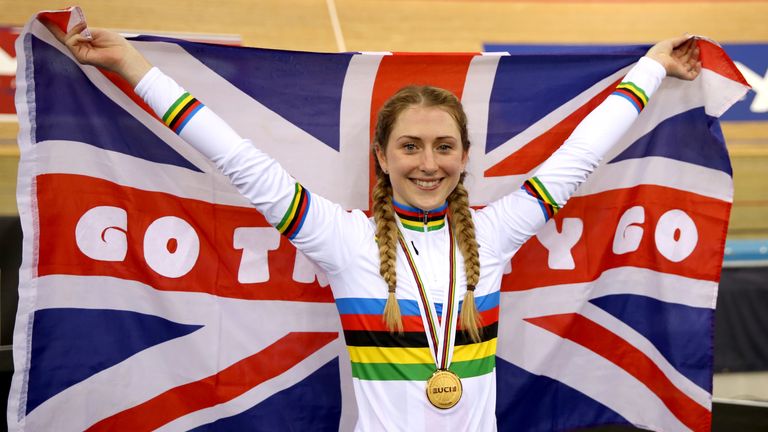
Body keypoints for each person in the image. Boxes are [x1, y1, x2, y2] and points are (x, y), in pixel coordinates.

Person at [45, 19, 700, 431]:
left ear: (465, 158)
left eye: (444, 147)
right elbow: (235, 157)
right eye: (410, 147)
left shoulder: (494, 237)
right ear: (382, 159)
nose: (428, 162)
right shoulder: (344, 240)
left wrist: (652, 68)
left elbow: (578, 159)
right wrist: (132, 66)